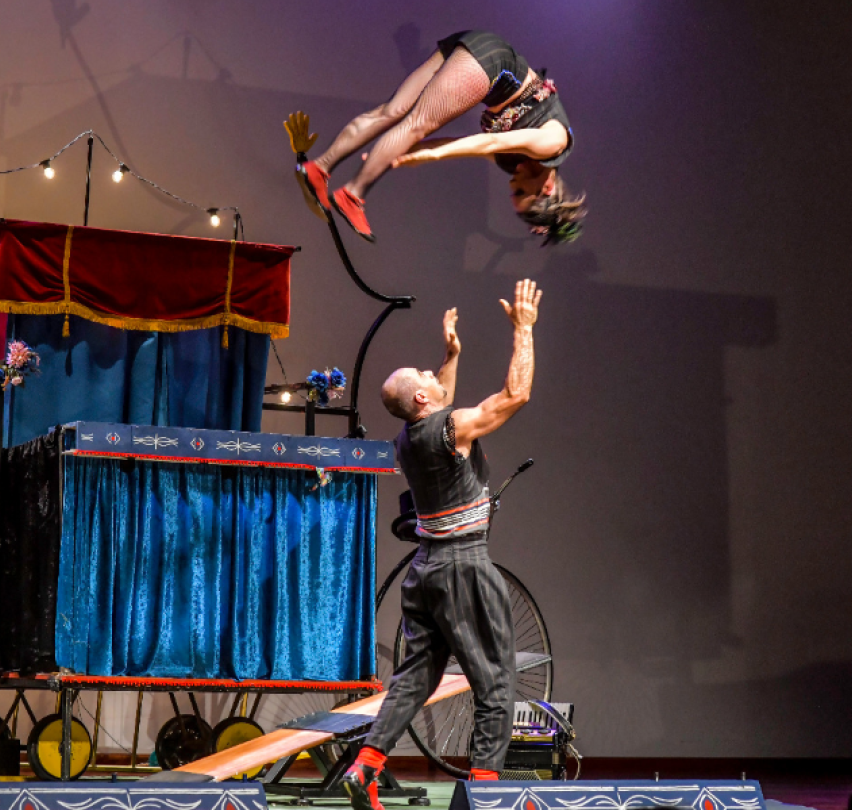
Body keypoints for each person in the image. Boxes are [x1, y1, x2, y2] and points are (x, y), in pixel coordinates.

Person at [342, 279, 543, 810]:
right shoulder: (449, 429)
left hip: (425, 572)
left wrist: (449, 356)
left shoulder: (408, 438)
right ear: (425, 399)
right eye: (430, 377)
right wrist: (523, 330)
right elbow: (514, 396)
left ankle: (366, 767)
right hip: (463, 568)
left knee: (415, 677)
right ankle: (484, 794)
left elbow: (438, 402)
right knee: (497, 684)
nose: (436, 378)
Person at [293, 31, 584, 245]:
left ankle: (319, 168)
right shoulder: (554, 144)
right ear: (546, 189)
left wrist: (409, 153)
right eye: (521, 192)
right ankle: (353, 195)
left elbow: (455, 145)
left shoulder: (514, 164)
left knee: (392, 112)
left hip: (475, 49)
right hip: (492, 65)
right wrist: (429, 153)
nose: (511, 185)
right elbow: (487, 143)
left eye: (513, 193)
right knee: (417, 123)